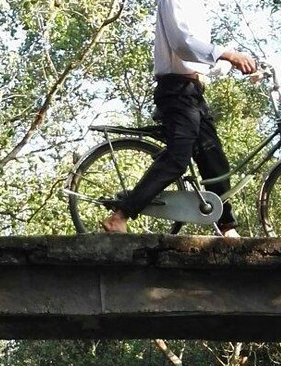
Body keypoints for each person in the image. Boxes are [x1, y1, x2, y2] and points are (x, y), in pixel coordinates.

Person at [101, 0, 257, 237]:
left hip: (193, 91)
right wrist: (229, 55)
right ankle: (120, 215)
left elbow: (200, 59)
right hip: (176, 90)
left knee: (213, 156)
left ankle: (226, 225)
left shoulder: (198, 8)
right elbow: (182, 44)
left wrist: (233, 64)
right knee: (177, 158)